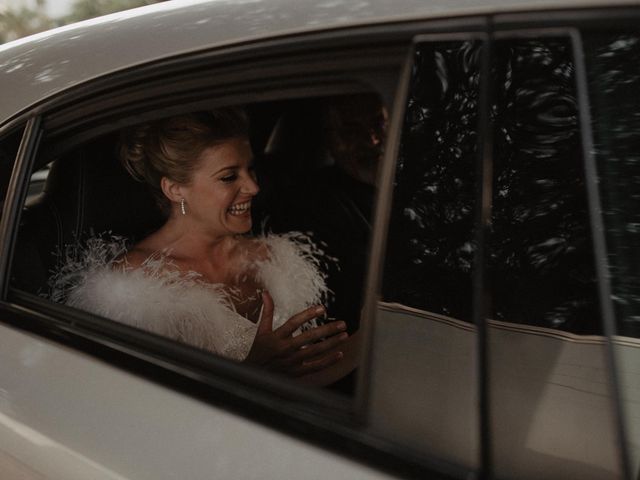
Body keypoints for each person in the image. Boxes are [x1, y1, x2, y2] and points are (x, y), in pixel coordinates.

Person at [49, 109, 356, 385]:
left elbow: (307, 378)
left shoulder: (272, 257)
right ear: (175, 188)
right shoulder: (131, 286)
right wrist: (252, 373)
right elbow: (141, 408)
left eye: (250, 170)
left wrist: (381, 331)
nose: (253, 187)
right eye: (229, 177)